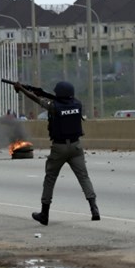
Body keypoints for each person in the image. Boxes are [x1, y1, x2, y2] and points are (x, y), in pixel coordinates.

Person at [14, 80, 100, 225]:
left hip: (59, 148)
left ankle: (44, 214)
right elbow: (58, 101)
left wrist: (22, 89)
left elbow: (37, 99)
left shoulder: (53, 107)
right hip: (76, 147)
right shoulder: (77, 104)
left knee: (50, 179)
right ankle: (94, 209)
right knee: (84, 177)